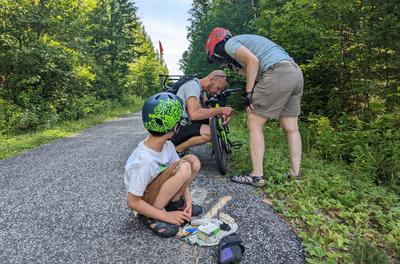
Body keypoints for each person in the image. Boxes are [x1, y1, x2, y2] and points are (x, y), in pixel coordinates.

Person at [205, 27, 304, 186]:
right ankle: (295, 174)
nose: (220, 60)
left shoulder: (230, 43)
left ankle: (257, 176)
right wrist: (238, 68)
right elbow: (256, 72)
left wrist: (249, 93)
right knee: (290, 126)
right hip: (294, 73)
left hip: (277, 73)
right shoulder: (245, 42)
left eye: (216, 57)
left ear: (217, 46)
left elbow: (254, 62)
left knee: (254, 121)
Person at [124, 92, 203, 238]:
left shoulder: (167, 145)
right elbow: (132, 201)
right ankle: (152, 215)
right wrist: (166, 217)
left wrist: (188, 200)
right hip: (143, 201)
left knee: (192, 161)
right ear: (174, 127)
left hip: (157, 189)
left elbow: (180, 172)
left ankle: (173, 203)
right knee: (185, 166)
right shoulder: (143, 161)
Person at [171, 70, 234, 156]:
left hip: (183, 126)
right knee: (211, 132)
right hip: (175, 130)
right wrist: (220, 110)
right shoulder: (193, 86)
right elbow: (194, 114)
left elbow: (209, 111)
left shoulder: (201, 91)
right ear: (212, 79)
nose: (218, 92)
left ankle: (179, 147)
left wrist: (223, 114)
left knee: (214, 125)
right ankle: (177, 150)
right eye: (218, 88)